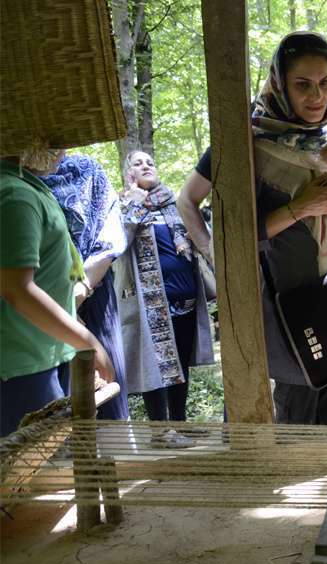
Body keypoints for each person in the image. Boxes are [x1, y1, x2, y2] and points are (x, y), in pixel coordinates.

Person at [176, 32, 327, 425]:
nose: (317, 96)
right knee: (291, 425)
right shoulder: (244, 140)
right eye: (303, 85)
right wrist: (217, 256)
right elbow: (187, 201)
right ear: (279, 83)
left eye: (325, 83)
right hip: (275, 307)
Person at [1, 149, 114, 436]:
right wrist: (87, 342)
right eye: (54, 142)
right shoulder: (15, 194)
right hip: (20, 367)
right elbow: (17, 288)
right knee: (29, 474)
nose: (62, 151)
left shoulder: (26, 186)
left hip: (38, 356)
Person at [115, 150, 215, 431]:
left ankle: (180, 425)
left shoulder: (173, 203)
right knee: (155, 367)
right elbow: (119, 244)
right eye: (138, 163)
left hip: (186, 300)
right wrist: (135, 204)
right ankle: (160, 430)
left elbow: (200, 237)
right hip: (151, 304)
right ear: (129, 174)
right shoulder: (124, 207)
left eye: (150, 162)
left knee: (180, 366)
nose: (146, 165)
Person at [41, 154, 129, 421]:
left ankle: (113, 458)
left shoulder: (86, 169)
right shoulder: (14, 178)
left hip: (93, 292)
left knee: (105, 385)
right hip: (38, 297)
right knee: (52, 403)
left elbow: (110, 235)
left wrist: (83, 288)